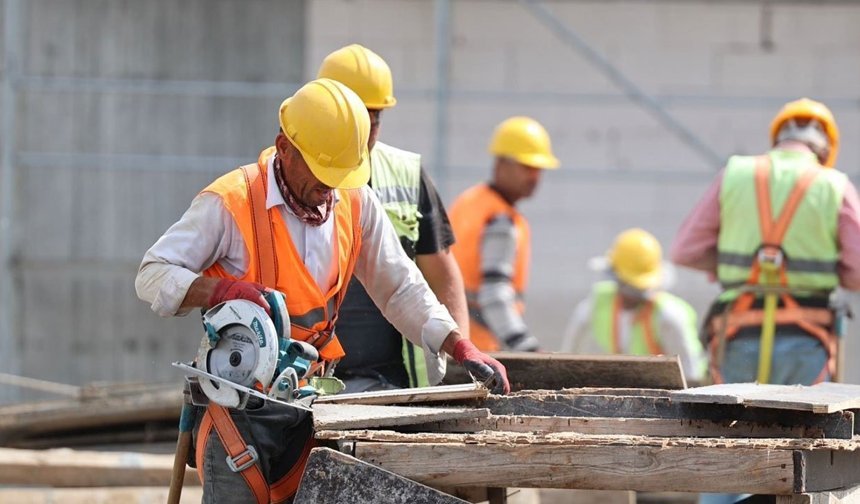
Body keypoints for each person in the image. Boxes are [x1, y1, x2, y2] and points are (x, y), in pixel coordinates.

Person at [135, 78, 509, 504]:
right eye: (320, 170)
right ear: (284, 146)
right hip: (237, 411)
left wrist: (459, 345)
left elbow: (400, 287)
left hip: (313, 408)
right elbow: (152, 275)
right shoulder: (231, 202)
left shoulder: (354, 202)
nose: (329, 185)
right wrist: (220, 289)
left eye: (339, 173)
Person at [671, 98, 860, 388]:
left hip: (737, 335)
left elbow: (684, 251)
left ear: (777, 138)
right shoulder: (834, 185)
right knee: (804, 429)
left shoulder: (734, 173)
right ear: (826, 148)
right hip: (806, 339)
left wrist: (739, 267)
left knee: (732, 428)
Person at [316, 44, 468, 393]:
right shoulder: (295, 176)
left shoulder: (406, 175)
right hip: (311, 379)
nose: (368, 130)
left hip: (393, 382)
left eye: (377, 117)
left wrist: (461, 356)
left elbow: (442, 273)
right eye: (357, 116)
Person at [449, 116, 559, 353]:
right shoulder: (500, 220)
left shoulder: (470, 201)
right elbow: (494, 296)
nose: (535, 177)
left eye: (539, 169)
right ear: (500, 164)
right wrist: (527, 349)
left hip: (455, 343)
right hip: (479, 349)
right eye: (527, 167)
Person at [561, 228, 706, 382]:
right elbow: (567, 359)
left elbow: (692, 374)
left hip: (663, 393)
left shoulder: (669, 315)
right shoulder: (597, 305)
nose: (633, 294)